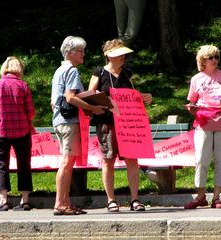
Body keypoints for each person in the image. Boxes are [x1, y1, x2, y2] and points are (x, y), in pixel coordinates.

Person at [88, 38, 152, 212]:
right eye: (118, 54)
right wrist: (104, 102)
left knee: (133, 159)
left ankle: (135, 200)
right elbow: (90, 96)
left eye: (124, 54)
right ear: (108, 56)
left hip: (128, 124)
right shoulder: (99, 73)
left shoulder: (126, 74)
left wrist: (145, 97)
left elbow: (133, 96)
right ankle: (111, 200)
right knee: (108, 159)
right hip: (106, 123)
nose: (122, 57)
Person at [51, 36, 106, 216]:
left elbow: (56, 100)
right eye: (80, 51)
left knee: (68, 161)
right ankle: (60, 203)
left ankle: (66, 202)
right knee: (67, 162)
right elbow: (70, 97)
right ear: (70, 53)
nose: (83, 54)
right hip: (69, 122)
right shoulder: (72, 71)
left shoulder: (59, 70)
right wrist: (93, 107)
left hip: (60, 121)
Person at [184, 45, 221, 210]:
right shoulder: (196, 79)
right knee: (201, 159)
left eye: (216, 57)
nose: (215, 60)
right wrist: (190, 108)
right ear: (203, 61)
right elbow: (192, 101)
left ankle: (216, 197)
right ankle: (200, 196)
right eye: (211, 58)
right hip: (203, 124)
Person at [0, 56, 35, 211]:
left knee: (1, 164)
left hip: (1, 131)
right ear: (19, 69)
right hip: (23, 131)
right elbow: (31, 111)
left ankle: (3, 200)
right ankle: (25, 200)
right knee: (24, 164)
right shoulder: (23, 86)